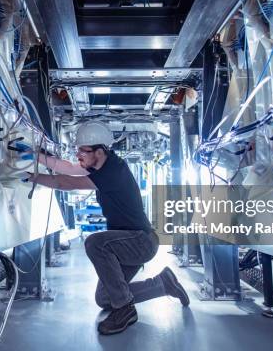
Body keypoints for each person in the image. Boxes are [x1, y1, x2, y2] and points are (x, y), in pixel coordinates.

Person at [25, 121, 190, 335]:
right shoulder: (101, 165)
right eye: (78, 150)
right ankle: (163, 283)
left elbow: (66, 182)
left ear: (100, 151)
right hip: (127, 243)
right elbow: (66, 168)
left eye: (83, 150)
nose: (78, 155)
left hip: (140, 241)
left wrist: (32, 177)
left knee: (95, 242)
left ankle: (125, 311)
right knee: (104, 298)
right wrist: (34, 156)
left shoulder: (113, 170)